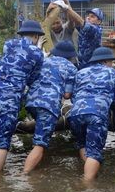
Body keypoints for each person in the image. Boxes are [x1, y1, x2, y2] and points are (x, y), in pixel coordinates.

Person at [0, 20, 44, 172]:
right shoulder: (37, 53)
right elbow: (32, 78)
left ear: (21, 34)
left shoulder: (8, 44)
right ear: (36, 36)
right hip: (8, 99)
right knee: (2, 140)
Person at [68, 47, 115, 181]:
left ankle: (86, 171)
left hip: (75, 114)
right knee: (94, 152)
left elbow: (73, 97)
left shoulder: (80, 72)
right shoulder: (113, 73)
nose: (112, 64)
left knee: (83, 144)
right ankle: (87, 186)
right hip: (97, 114)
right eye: (111, 61)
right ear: (105, 61)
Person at [24, 41, 78, 173]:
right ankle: (25, 174)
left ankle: (41, 163)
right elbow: (66, 95)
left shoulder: (43, 61)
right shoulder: (71, 68)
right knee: (40, 144)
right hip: (49, 105)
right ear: (71, 56)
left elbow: (29, 79)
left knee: (41, 133)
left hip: (31, 101)